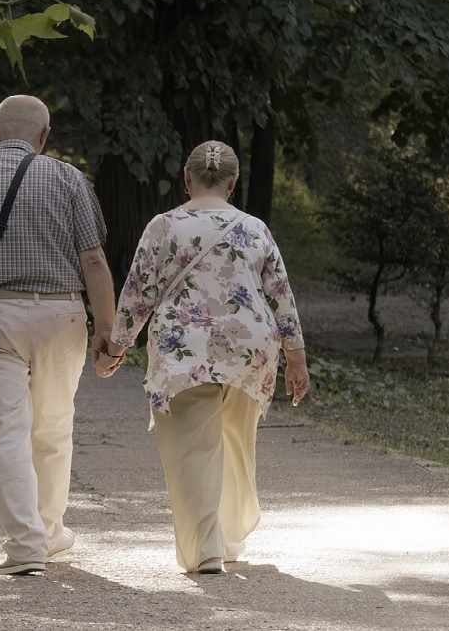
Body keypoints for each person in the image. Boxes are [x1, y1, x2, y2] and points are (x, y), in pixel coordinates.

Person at [95, 139, 310, 575]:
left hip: (184, 349)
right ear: (233, 182)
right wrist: (297, 360)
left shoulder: (164, 225)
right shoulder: (255, 228)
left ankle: (208, 549)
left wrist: (115, 347)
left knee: (193, 449)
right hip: (249, 349)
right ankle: (230, 534)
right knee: (234, 445)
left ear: (187, 178)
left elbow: (139, 292)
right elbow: (281, 297)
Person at [0, 95, 118, 576]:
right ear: (44, 136)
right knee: (54, 428)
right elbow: (93, 260)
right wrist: (109, 332)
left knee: (7, 435)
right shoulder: (70, 179)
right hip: (61, 315)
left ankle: (25, 546)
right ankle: (51, 533)